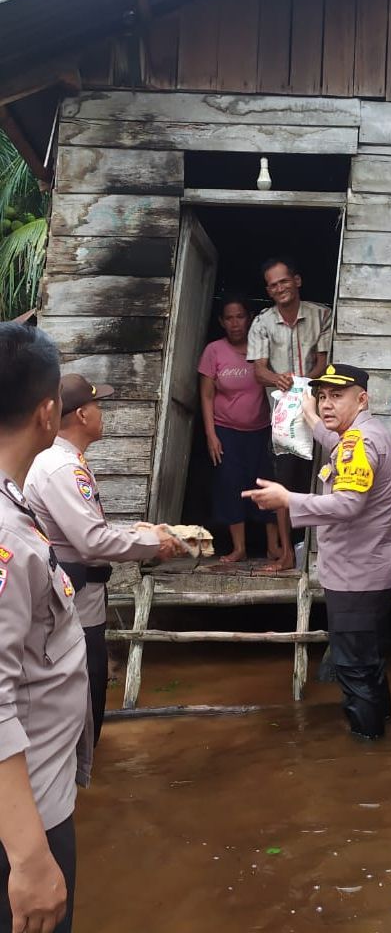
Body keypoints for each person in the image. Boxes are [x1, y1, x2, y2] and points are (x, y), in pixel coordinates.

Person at [242, 363, 391, 741]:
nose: (327, 404)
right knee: (368, 658)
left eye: (337, 396)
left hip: (356, 576)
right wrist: (313, 421)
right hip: (369, 572)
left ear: (362, 399)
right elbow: (340, 450)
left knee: (353, 666)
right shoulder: (362, 435)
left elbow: (347, 504)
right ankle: (385, 731)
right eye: (323, 396)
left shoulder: (359, 442)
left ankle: (368, 748)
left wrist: (287, 498)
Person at [24, 373, 183, 746]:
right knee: (82, 697)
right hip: (72, 602)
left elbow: (83, 529)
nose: (102, 413)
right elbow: (91, 541)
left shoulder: (65, 461)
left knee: (90, 690)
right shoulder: (62, 467)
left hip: (81, 598)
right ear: (81, 415)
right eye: (98, 405)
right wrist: (151, 543)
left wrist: (137, 531)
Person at [0, 322, 90, 933]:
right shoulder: (4, 533)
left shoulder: (13, 503)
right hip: (21, 820)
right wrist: (31, 859)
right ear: (48, 411)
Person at [246, 256, 332, 571]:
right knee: (283, 483)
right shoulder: (262, 323)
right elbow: (259, 371)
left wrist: (302, 385)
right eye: (273, 285)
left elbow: (322, 362)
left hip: (320, 411)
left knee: (321, 482)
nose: (280, 288)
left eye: (284, 281)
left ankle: (318, 553)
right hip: (283, 420)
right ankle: (287, 554)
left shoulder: (322, 315)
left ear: (297, 280)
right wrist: (278, 379)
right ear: (268, 291)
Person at [198, 297, 279, 562]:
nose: (235, 323)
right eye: (229, 318)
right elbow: (207, 395)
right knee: (230, 485)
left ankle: (274, 547)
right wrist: (211, 435)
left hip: (262, 430)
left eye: (240, 316)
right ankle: (239, 548)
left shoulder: (261, 349)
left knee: (265, 484)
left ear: (250, 318)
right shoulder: (214, 351)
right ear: (221, 321)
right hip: (226, 431)